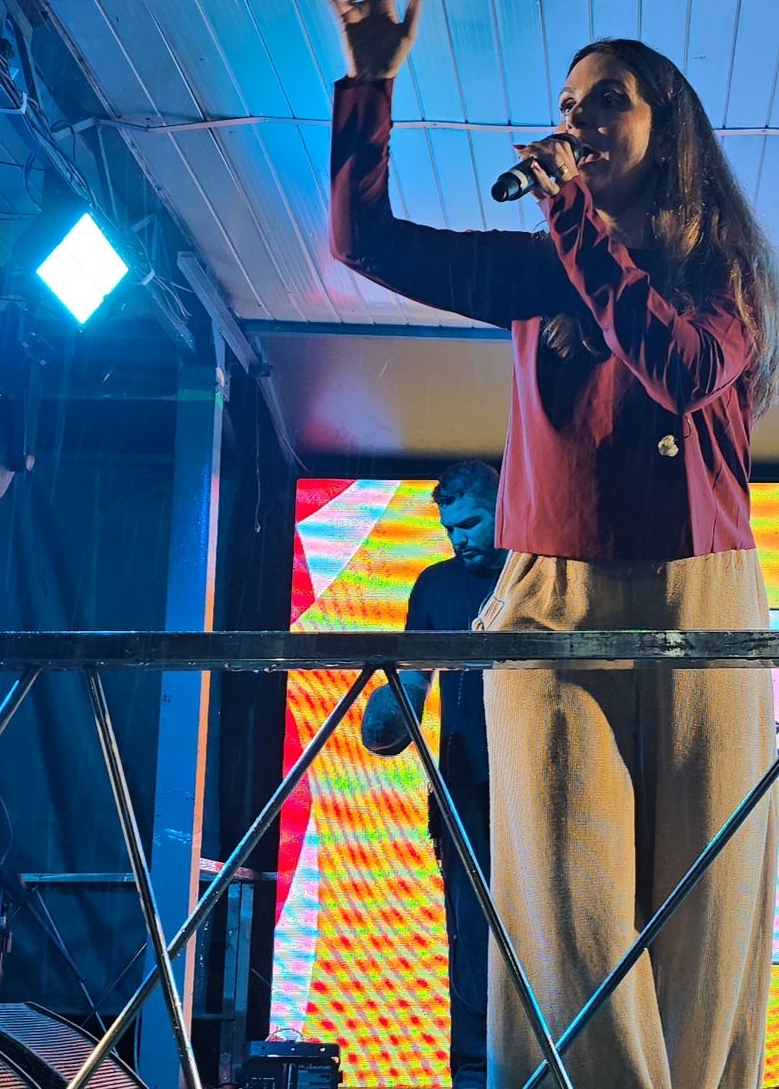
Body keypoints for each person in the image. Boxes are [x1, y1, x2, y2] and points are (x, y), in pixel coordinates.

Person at [319, 0, 779, 1089]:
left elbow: (677, 369)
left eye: (606, 101)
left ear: (664, 119)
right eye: (567, 104)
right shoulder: (549, 264)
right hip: (545, 596)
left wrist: (572, 220)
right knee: (565, 903)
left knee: (705, 905)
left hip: (705, 596)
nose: (578, 120)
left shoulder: (720, 271)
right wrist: (371, 85)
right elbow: (363, 242)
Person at [360, 461, 507, 1089]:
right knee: (471, 950)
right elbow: (411, 686)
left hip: (547, 790)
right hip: (467, 791)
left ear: (507, 508)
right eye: (449, 528)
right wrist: (391, 710)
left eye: (470, 522)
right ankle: (472, 1080)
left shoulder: (545, 577)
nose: (459, 538)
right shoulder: (435, 586)